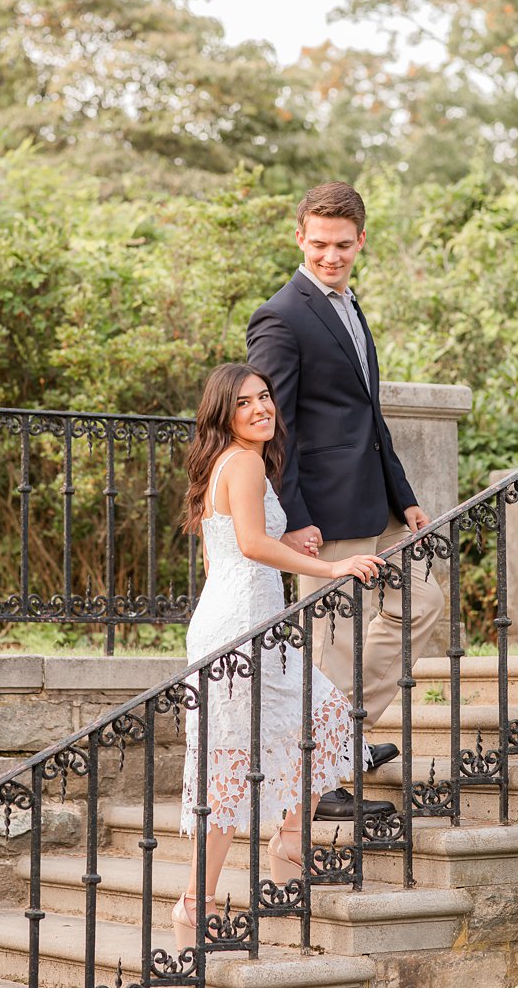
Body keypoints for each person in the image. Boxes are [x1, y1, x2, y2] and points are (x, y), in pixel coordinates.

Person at [247, 180, 445, 822]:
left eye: (343, 244)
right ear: (299, 238)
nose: (331, 255)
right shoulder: (282, 314)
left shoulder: (349, 306)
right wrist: (296, 517)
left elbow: (367, 413)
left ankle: (341, 735)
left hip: (375, 501)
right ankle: (324, 782)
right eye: (319, 243)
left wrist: (405, 498)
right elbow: (276, 426)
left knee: (423, 601)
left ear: (361, 240)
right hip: (323, 511)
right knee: (330, 639)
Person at [173, 363, 384, 951]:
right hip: (240, 631)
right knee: (229, 768)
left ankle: (291, 842)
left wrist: (286, 543)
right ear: (225, 414)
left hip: (245, 621)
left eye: (265, 397)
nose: (261, 408)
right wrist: (333, 566)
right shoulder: (240, 462)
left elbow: (227, 554)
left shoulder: (239, 463)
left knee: (322, 721)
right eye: (245, 403)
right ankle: (194, 908)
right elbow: (246, 545)